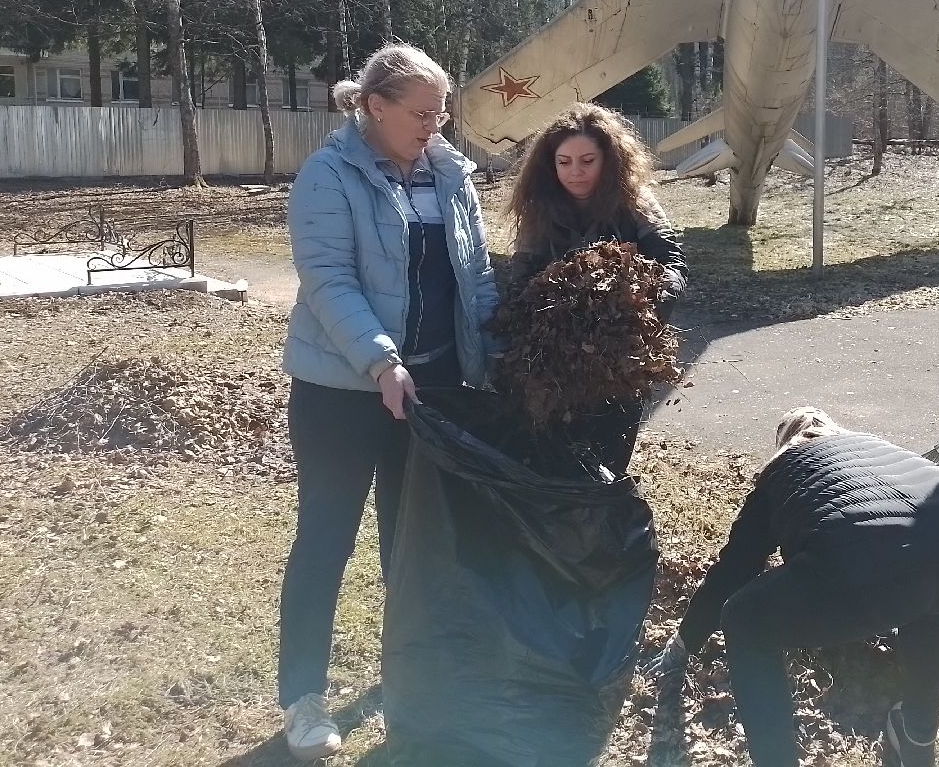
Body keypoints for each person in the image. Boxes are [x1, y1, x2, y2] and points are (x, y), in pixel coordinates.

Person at [278, 42, 498, 761]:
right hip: (342, 393)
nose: (435, 124)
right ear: (375, 107)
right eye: (422, 111)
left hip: (430, 393)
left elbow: (475, 276)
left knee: (414, 546)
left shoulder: (449, 174)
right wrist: (380, 362)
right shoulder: (328, 176)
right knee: (327, 540)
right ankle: (305, 699)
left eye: (442, 112)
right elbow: (328, 280)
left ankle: (411, 676)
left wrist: (492, 355)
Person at [642, 408, 939, 767]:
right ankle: (917, 735)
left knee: (742, 617)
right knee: (924, 590)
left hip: (874, 558)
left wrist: (683, 644)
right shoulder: (868, 444)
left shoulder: (782, 470)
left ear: (783, 443)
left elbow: (735, 569)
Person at [504, 102, 687, 472]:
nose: (576, 173)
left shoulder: (635, 202)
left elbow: (673, 263)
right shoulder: (540, 209)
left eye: (588, 160)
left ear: (610, 159)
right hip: (557, 360)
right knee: (559, 459)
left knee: (610, 459)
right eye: (564, 162)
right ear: (549, 164)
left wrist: (645, 309)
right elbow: (521, 277)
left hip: (622, 358)